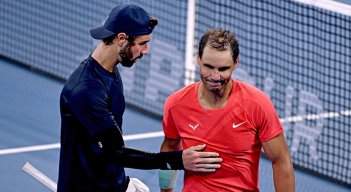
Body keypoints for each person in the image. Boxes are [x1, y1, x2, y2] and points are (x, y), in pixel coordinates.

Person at [57, 4, 222, 192]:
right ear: (121, 39)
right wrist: (177, 160)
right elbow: (115, 152)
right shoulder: (86, 91)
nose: (146, 50)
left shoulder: (109, 72)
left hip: (110, 184)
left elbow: (108, 148)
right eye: (142, 43)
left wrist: (123, 183)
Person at [159, 28, 295, 192]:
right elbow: (170, 148)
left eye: (223, 69)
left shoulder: (257, 104)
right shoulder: (176, 104)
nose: (215, 76)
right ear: (198, 58)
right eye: (208, 67)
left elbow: (281, 160)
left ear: (236, 63)